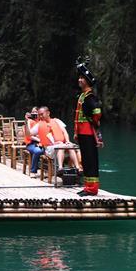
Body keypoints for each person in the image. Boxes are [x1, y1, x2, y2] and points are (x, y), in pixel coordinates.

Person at [74, 67, 103, 196]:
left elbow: (97, 112)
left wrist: (94, 121)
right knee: (85, 160)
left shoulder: (90, 97)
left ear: (87, 81)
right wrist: (76, 131)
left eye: (82, 78)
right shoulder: (83, 96)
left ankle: (93, 188)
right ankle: (87, 186)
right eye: (79, 78)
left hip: (89, 132)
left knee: (91, 159)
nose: (79, 80)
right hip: (82, 132)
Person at [38, 106, 81, 174]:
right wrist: (27, 122)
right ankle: (60, 168)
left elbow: (64, 132)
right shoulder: (39, 124)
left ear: (48, 113)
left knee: (72, 146)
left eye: (42, 114)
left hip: (62, 145)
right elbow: (30, 133)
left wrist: (67, 141)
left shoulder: (57, 121)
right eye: (39, 115)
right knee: (61, 147)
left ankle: (78, 168)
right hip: (50, 148)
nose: (40, 116)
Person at [23, 107, 44, 177]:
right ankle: (33, 171)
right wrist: (38, 139)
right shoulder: (29, 121)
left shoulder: (41, 121)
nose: (34, 113)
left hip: (42, 143)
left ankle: (49, 170)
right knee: (37, 151)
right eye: (33, 112)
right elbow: (29, 136)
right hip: (31, 143)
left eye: (36, 112)